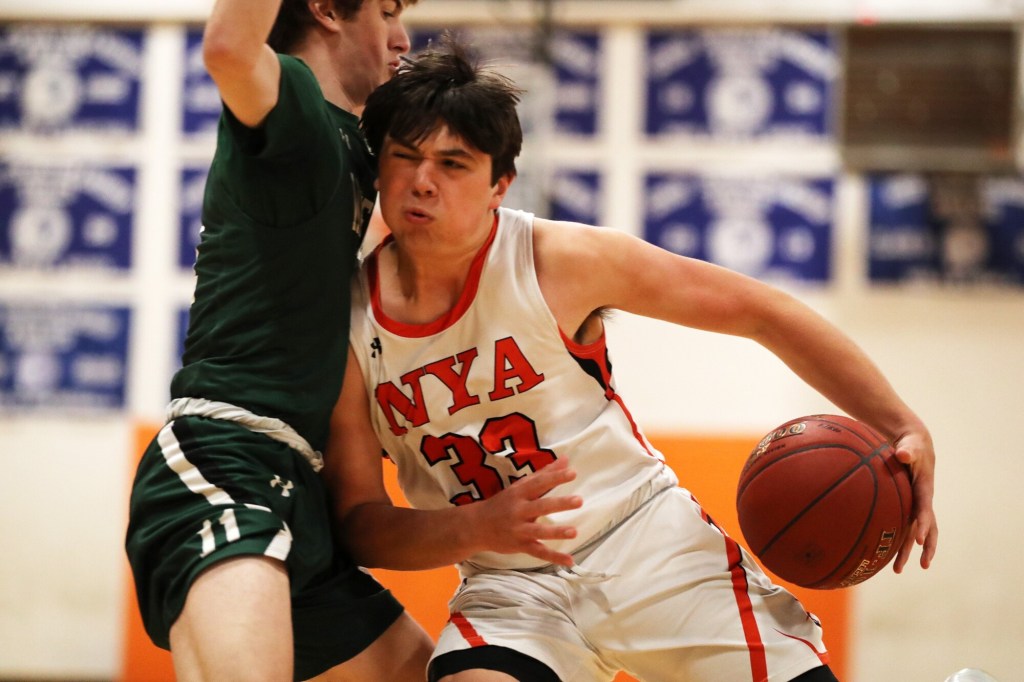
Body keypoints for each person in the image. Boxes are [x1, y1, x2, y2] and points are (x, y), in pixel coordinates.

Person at [324, 40, 939, 682]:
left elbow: (763, 312)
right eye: (406, 156)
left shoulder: (556, 260)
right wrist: (473, 527)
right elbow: (361, 523)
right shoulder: (344, 324)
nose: (423, 180)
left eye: (453, 164)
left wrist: (901, 424)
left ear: (498, 185)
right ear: (379, 170)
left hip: (647, 546)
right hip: (511, 590)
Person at [124, 1, 435, 680]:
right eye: (385, 11)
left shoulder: (361, 148)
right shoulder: (296, 104)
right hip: (224, 461)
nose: (404, 37)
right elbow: (230, 47)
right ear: (326, 10)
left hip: (301, 488)